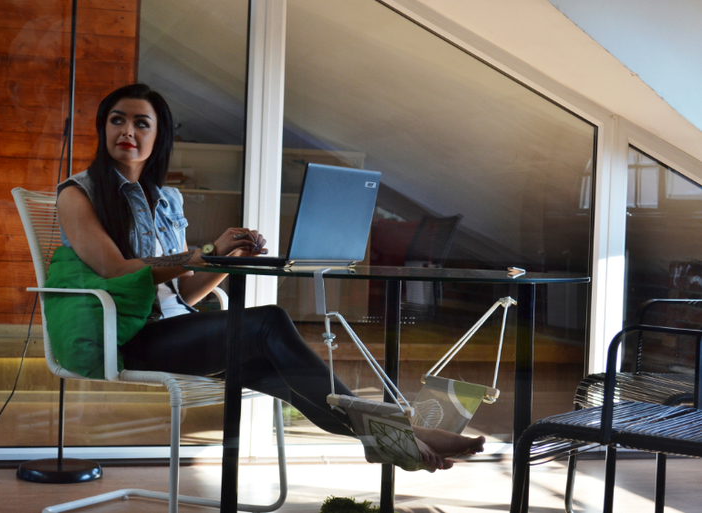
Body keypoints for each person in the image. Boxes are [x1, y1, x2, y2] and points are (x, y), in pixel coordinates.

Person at [56, 83, 484, 471]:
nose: (127, 130)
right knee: (269, 322)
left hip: (178, 328)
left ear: (158, 135)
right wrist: (205, 253)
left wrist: (229, 260)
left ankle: (394, 437)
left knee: (288, 377)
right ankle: (399, 433)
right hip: (130, 337)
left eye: (141, 123)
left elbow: (185, 292)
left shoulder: (167, 199)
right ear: (103, 128)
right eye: (117, 120)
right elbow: (115, 270)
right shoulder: (79, 193)